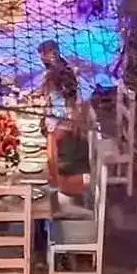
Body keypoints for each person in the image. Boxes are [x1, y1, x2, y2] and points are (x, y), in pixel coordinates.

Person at [46, 66, 93, 198]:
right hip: (78, 169)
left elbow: (51, 160)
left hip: (70, 186)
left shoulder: (72, 115)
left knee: (51, 150)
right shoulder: (78, 100)